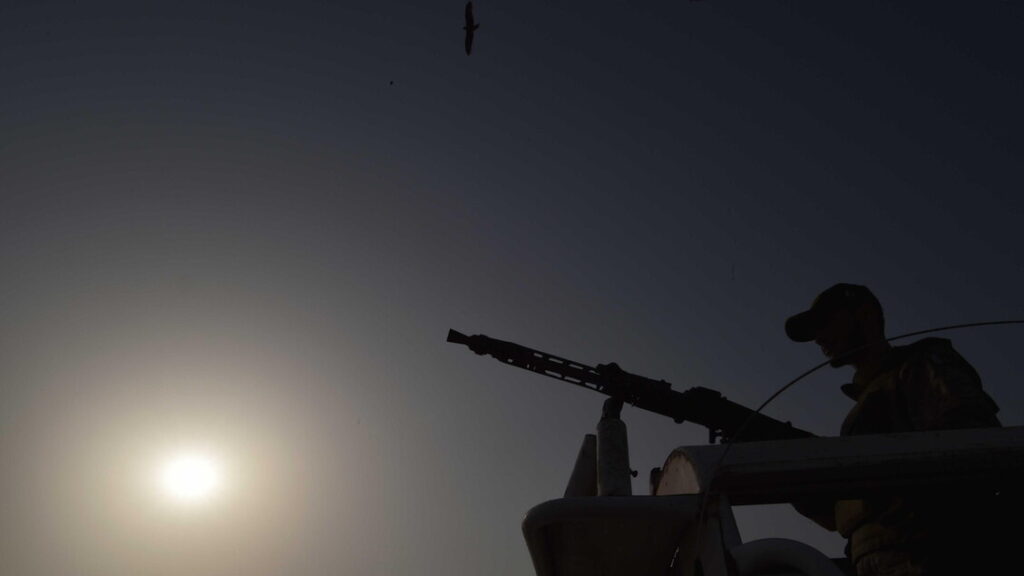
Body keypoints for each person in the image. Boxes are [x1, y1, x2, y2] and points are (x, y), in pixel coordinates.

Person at [785, 283, 1004, 576]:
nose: (819, 338)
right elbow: (841, 514)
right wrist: (795, 476)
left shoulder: (920, 364)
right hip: (873, 559)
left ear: (865, 315)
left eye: (825, 323)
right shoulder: (866, 401)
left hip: (924, 552)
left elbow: (975, 445)